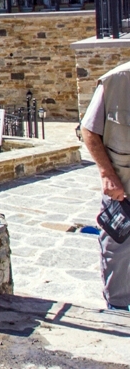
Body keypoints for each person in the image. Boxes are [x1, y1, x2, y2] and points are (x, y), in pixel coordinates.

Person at [81, 61, 130, 311]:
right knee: (118, 252)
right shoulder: (117, 81)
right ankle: (118, 312)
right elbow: (88, 130)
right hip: (124, 191)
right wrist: (106, 173)